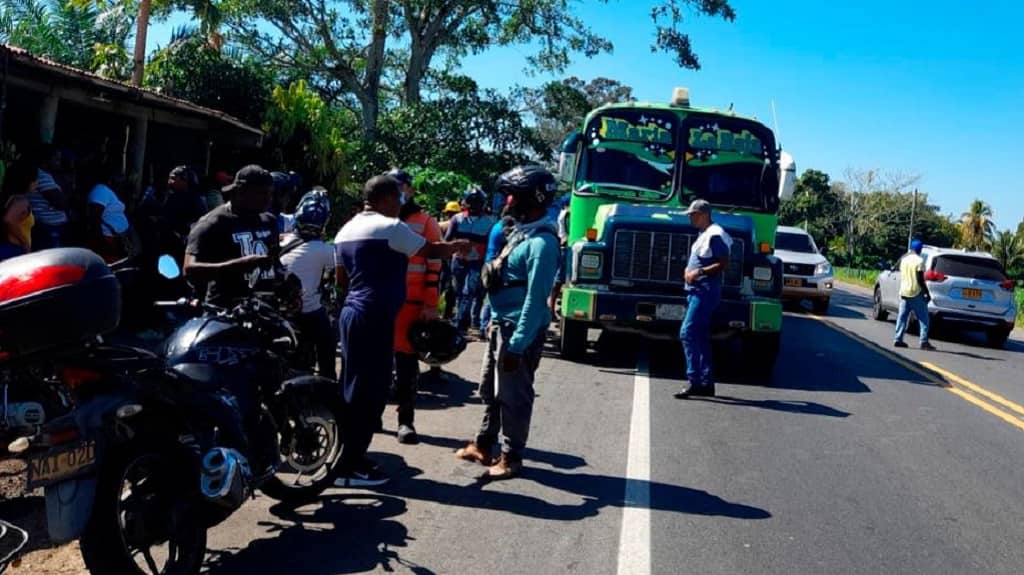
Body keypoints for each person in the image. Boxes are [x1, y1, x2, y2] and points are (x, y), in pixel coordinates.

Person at [333, 174, 470, 487]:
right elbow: (431, 251)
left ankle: (347, 455)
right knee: (373, 389)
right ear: (385, 199)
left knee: (353, 386)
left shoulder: (345, 230)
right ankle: (350, 466)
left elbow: (341, 280)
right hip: (375, 316)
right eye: (398, 199)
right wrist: (456, 246)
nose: (401, 204)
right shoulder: (391, 227)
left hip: (352, 313)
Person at [455, 165, 560, 480]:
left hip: (518, 331)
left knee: (514, 395)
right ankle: (485, 444)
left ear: (529, 198)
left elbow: (535, 298)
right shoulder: (520, 232)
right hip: (502, 325)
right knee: (491, 389)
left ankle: (512, 457)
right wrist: (492, 321)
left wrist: (517, 345)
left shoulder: (542, 243)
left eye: (512, 195)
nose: (508, 201)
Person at [388, 169, 444, 445]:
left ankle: (405, 420)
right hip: (382, 303)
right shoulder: (378, 220)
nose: (396, 191)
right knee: (379, 363)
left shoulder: (425, 222)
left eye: (400, 187)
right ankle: (374, 415)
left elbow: (435, 264)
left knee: (407, 364)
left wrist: (430, 304)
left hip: (412, 305)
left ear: (410, 190)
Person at [184, 165, 278, 307]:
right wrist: (238, 265)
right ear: (241, 192)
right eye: (262, 193)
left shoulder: (269, 221)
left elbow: (274, 263)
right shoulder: (213, 222)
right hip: (225, 314)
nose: (268, 199)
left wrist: (288, 284)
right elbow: (189, 270)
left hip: (262, 314)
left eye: (270, 193)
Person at [674, 199, 732, 399]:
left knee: (687, 332)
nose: (690, 217)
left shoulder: (715, 235)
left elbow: (723, 263)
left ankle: (695, 380)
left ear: (704, 215)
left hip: (704, 291)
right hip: (697, 290)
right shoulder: (705, 234)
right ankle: (706, 382)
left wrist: (697, 272)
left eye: (693, 214)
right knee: (699, 336)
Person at [280, 189, 337, 379]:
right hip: (307, 311)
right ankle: (328, 382)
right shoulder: (323, 250)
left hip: (279, 310)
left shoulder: (282, 240)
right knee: (328, 341)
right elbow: (347, 264)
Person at [445, 188, 495, 336]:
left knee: (469, 292)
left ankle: (460, 324)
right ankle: (462, 320)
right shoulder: (457, 219)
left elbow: (491, 244)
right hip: (458, 261)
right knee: (460, 292)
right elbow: (447, 240)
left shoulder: (489, 221)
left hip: (477, 262)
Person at [893, 239, 936, 350]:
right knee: (924, 318)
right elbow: (920, 279)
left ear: (911, 248)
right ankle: (923, 341)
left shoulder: (904, 260)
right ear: (920, 249)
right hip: (916, 292)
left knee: (902, 317)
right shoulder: (920, 261)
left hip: (904, 292)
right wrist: (926, 293)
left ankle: (898, 338)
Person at [85, 164, 132, 263]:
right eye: (120, 175)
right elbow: (94, 218)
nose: (123, 178)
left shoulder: (109, 191)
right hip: (107, 239)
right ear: (111, 177)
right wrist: (103, 243)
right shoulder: (100, 190)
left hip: (115, 238)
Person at [28, 144, 69, 250]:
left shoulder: (43, 175)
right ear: (46, 160)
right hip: (49, 228)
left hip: (48, 227)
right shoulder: (42, 176)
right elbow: (60, 202)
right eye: (56, 159)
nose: (59, 163)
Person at [1, 162, 37, 262]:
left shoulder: (9, 198)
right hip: (14, 250)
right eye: (34, 180)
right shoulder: (21, 201)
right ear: (27, 182)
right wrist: (24, 242)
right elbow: (9, 220)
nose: (36, 183)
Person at [164, 165, 208, 245]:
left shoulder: (196, 200)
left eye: (173, 178)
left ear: (185, 180)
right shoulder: (172, 197)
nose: (169, 182)